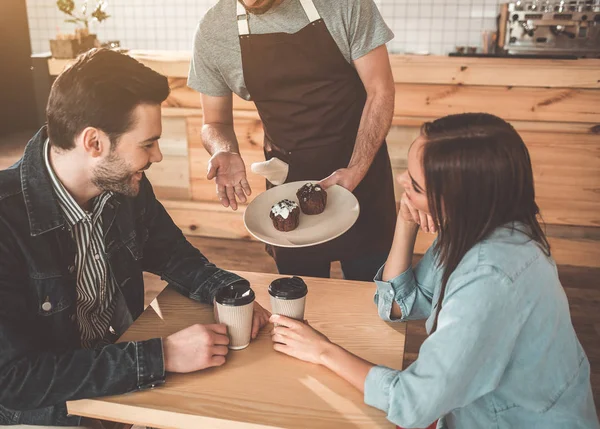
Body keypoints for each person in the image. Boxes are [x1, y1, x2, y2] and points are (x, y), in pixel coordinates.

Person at [267, 113, 600, 429]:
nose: (400, 180)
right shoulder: (480, 224)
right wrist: (406, 221)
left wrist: (322, 350)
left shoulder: (489, 278)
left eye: (415, 184)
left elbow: (413, 404)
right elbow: (397, 307)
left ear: (457, 201)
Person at [0, 48, 271, 427]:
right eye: (147, 143)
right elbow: (14, 379)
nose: (157, 156)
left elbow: (172, 253)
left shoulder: (120, 183)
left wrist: (229, 292)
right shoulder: (6, 222)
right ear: (94, 143)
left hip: (123, 380)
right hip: (50, 413)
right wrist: (162, 356)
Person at [188, 0, 402, 280]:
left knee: (372, 292)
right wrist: (224, 149)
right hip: (287, 187)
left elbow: (380, 90)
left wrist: (358, 167)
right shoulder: (214, 29)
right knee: (302, 295)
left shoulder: (345, 4)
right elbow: (214, 122)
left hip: (362, 177)